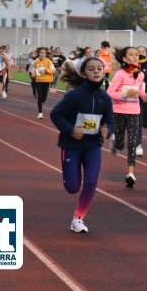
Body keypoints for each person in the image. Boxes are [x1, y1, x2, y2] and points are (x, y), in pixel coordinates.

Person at [50, 57, 114, 233]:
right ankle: (70, 180)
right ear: (84, 73)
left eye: (99, 68)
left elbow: (110, 122)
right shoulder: (75, 95)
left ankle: (78, 218)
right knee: (72, 187)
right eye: (91, 69)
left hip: (93, 146)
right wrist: (70, 130)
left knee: (91, 181)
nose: (96, 71)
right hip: (71, 145)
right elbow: (56, 115)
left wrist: (107, 131)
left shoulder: (105, 98)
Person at [107, 46, 146, 188]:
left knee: (132, 143)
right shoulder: (120, 74)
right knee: (120, 143)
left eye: (137, 54)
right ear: (124, 59)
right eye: (131, 54)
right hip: (118, 110)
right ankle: (115, 142)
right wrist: (124, 95)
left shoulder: (140, 74)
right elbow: (110, 92)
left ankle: (130, 174)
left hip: (134, 111)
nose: (135, 57)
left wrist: (144, 95)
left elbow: (139, 90)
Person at [32, 47, 55, 119]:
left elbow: (53, 70)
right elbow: (35, 70)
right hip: (38, 81)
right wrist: (33, 74)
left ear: (46, 54)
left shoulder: (49, 61)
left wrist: (45, 70)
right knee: (39, 96)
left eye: (44, 53)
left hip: (46, 81)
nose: (42, 54)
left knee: (43, 98)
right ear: (38, 53)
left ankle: (42, 101)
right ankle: (40, 113)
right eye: (41, 52)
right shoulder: (36, 62)